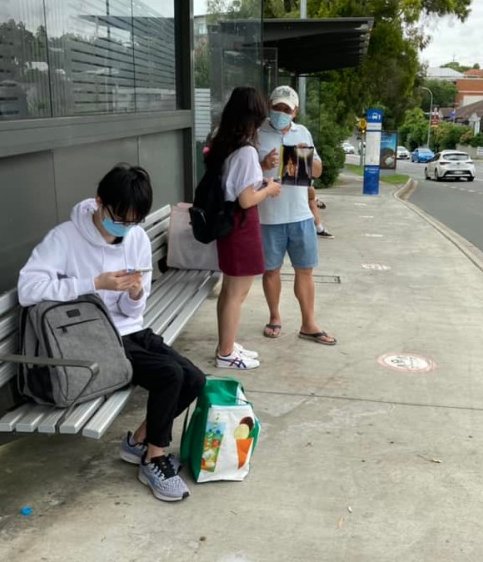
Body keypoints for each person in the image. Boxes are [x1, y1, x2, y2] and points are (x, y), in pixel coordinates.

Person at [17, 164, 204, 503]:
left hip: (130, 330)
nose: (125, 228)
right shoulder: (65, 238)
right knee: (170, 375)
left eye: (134, 221)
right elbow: (28, 289)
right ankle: (154, 459)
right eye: (120, 218)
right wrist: (93, 284)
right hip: (90, 336)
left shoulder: (136, 238)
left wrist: (135, 294)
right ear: (99, 202)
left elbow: (133, 313)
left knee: (195, 378)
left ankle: (138, 443)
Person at [256, 85, 337, 345]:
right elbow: (244, 173)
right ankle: (274, 316)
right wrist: (262, 165)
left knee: (305, 271)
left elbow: (318, 171)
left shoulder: (302, 132)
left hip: (301, 215)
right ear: (269, 106)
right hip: (268, 217)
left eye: (286, 109)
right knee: (271, 270)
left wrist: (306, 157)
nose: (281, 113)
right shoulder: (257, 134)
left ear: (295, 111)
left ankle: (308, 323)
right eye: (277, 107)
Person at [208, 86, 282, 369]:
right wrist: (269, 188)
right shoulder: (246, 150)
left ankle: (225, 345)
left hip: (229, 224)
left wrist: (259, 181)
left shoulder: (224, 142)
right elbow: (246, 198)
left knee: (229, 290)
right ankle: (227, 354)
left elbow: (235, 185)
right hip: (241, 225)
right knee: (237, 294)